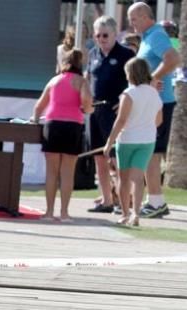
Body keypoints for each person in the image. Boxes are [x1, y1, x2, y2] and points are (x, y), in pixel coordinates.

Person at [127, 2, 180, 219]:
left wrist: (152, 79)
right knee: (150, 152)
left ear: (146, 16)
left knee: (152, 153)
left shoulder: (156, 34)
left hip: (161, 103)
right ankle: (155, 201)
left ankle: (156, 201)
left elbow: (174, 59)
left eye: (134, 19)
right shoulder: (148, 36)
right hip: (153, 102)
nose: (131, 24)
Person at [30, 49, 92, 222]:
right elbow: (87, 102)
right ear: (80, 64)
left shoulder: (54, 80)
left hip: (52, 125)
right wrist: (88, 109)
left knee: (51, 172)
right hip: (73, 126)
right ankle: (64, 213)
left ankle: (48, 212)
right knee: (67, 173)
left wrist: (35, 120)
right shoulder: (81, 81)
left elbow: (39, 106)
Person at [104, 58, 162, 227]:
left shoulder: (128, 94)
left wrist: (109, 142)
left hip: (127, 139)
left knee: (124, 179)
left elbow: (121, 120)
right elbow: (158, 120)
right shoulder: (154, 94)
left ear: (130, 74)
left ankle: (124, 214)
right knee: (138, 178)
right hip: (147, 140)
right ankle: (136, 213)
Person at [85, 16, 134, 214]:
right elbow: (88, 78)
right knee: (99, 157)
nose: (102, 39)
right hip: (95, 111)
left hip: (114, 112)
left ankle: (123, 201)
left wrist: (124, 100)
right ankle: (106, 200)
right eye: (98, 35)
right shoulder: (93, 53)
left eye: (105, 35)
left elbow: (135, 80)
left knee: (116, 158)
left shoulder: (126, 54)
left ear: (114, 34)